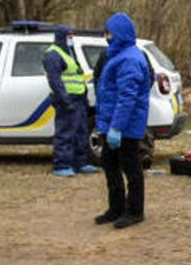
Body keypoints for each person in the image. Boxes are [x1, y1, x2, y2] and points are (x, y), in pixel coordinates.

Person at [94, 13, 151, 229]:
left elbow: (127, 98)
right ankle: (116, 207)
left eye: (109, 32)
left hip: (126, 126)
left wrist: (117, 127)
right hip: (111, 123)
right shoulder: (116, 55)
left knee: (131, 167)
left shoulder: (130, 59)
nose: (106, 37)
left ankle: (135, 210)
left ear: (119, 33)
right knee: (109, 164)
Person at [44, 24, 97, 178]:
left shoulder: (70, 52)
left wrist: (84, 97)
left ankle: (80, 162)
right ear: (61, 37)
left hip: (78, 99)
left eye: (72, 37)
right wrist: (65, 100)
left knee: (81, 132)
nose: (71, 40)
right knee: (65, 133)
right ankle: (62, 164)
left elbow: (77, 76)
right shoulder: (53, 54)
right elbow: (55, 81)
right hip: (66, 100)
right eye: (69, 37)